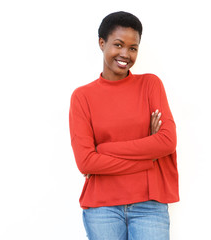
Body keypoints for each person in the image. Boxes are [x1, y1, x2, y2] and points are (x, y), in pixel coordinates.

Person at [69, 11, 179, 240]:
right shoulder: (82, 97)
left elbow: (167, 142)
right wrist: (149, 158)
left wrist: (105, 150)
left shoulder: (150, 85)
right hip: (102, 207)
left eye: (133, 48)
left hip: (149, 205)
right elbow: (86, 161)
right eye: (118, 44)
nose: (125, 54)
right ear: (102, 43)